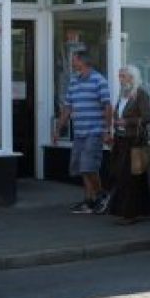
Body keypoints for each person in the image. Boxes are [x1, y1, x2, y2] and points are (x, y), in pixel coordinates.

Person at [53, 51, 112, 214]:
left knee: (88, 166)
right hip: (79, 131)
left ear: (82, 61)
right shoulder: (73, 81)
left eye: (74, 59)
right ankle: (89, 201)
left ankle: (101, 195)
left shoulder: (99, 81)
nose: (72, 62)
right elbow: (67, 107)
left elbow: (107, 106)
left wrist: (107, 130)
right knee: (81, 166)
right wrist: (58, 129)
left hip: (95, 131)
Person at [109, 65, 150, 225]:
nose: (120, 79)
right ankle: (145, 209)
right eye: (120, 76)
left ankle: (129, 214)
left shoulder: (140, 94)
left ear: (132, 77)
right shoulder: (123, 94)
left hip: (134, 141)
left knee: (129, 177)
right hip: (121, 139)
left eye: (123, 76)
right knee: (131, 176)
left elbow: (148, 117)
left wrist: (126, 121)